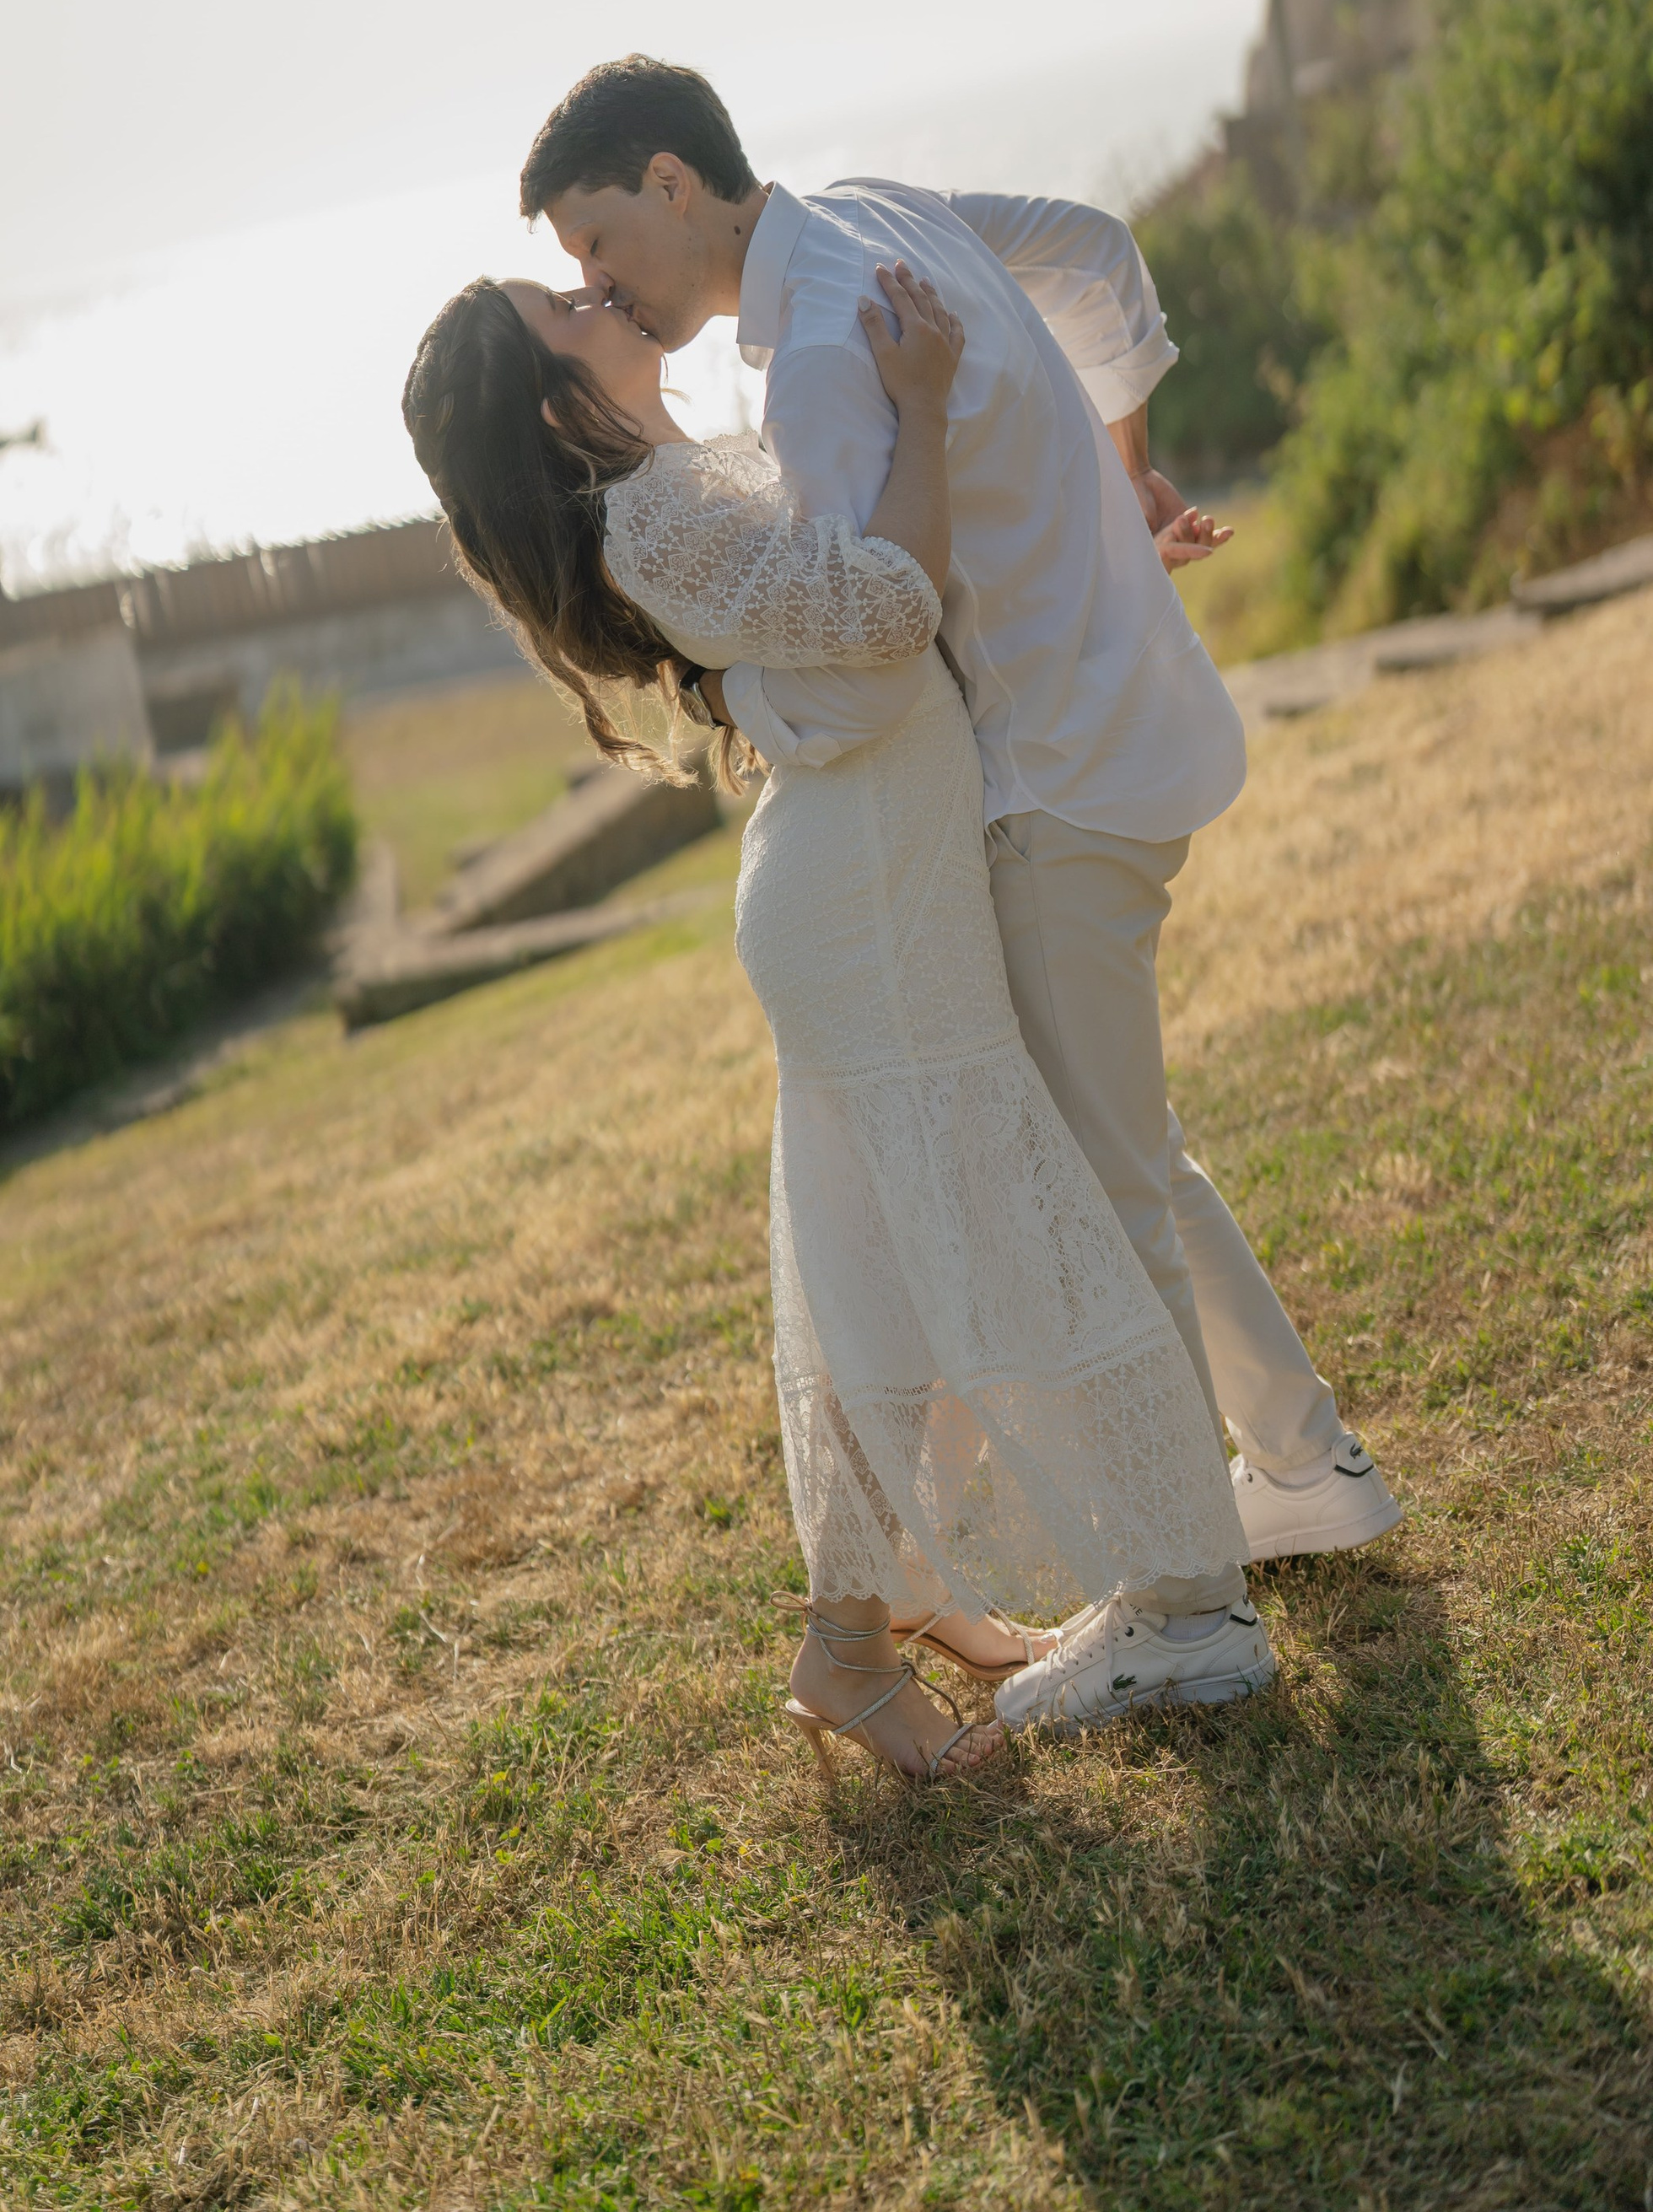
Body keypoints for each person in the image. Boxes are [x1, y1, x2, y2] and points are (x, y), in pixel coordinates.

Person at [514, 57, 1401, 1734]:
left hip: (1050, 785)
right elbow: (1088, 248)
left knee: (1096, 1181)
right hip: (1112, 726)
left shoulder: (828, 358)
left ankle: (1181, 1614)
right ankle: (1302, 1465)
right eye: (570, 264)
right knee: (1119, 1144)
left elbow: (870, 639)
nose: (595, 277)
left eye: (596, 233)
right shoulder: (868, 218)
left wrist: (768, 704)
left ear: (670, 179)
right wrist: (1119, 459)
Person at [403, 254, 1258, 1779]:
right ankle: (862, 1642)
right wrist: (923, 407)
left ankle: (882, 1613)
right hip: (860, 896)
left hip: (864, 879)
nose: (602, 295)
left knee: (891, 1259)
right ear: (557, 396)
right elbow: (879, 618)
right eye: (568, 308)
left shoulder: (678, 475)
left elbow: (859, 627)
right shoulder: (651, 509)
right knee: (905, 1264)